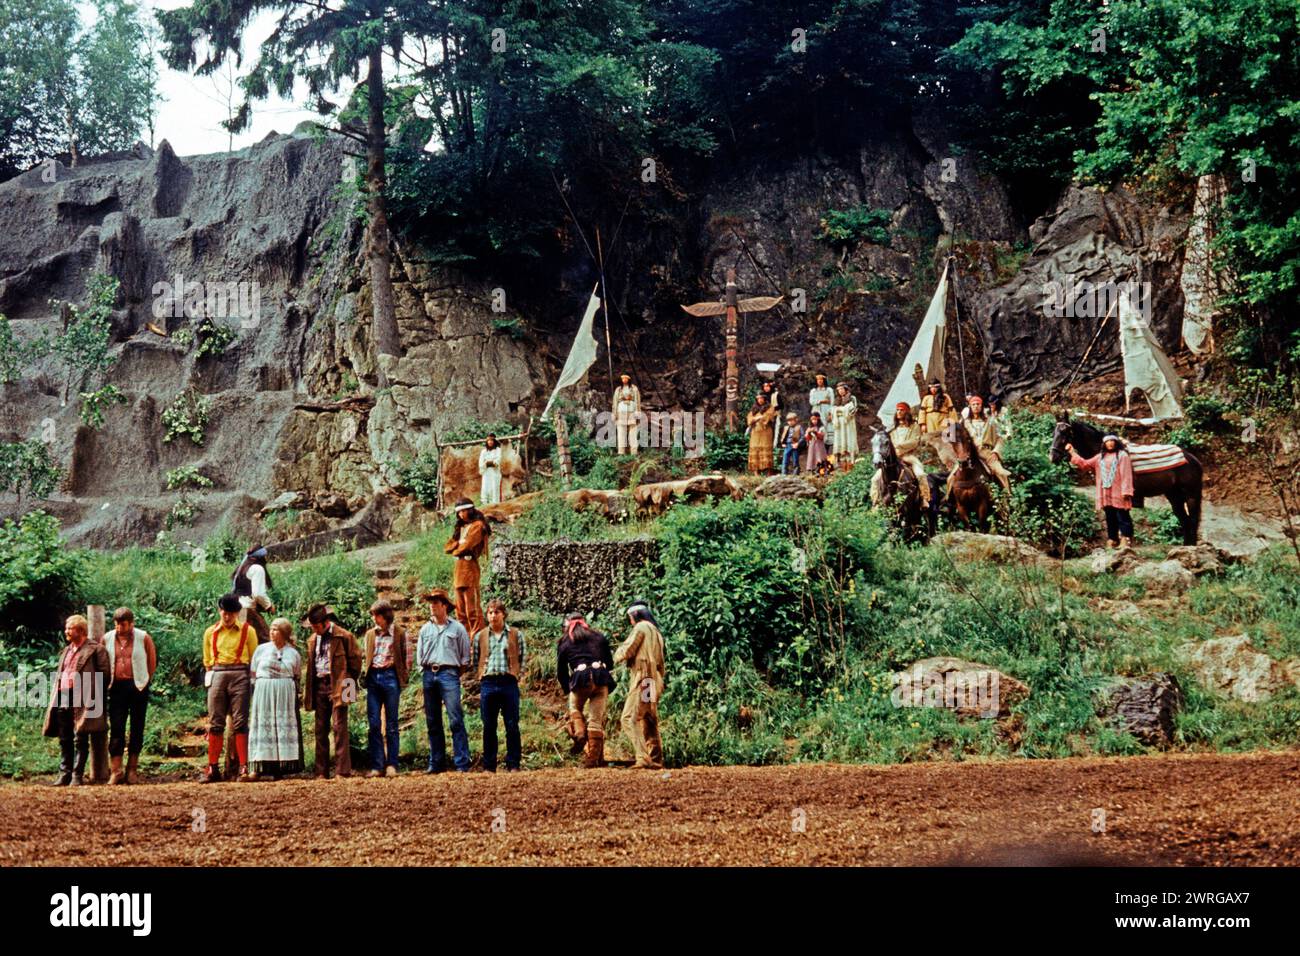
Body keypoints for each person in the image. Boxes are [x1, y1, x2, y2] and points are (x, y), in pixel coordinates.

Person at [43, 615, 110, 787]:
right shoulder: (66, 650)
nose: (66, 631)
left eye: (70, 628)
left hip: (84, 695)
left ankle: (77, 775)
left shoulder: (96, 649)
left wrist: (91, 692)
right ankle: (64, 773)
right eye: (66, 628)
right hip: (64, 694)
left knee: (80, 736)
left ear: (80, 630)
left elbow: (105, 675)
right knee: (65, 736)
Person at [302, 603, 362, 779]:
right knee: (320, 728)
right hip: (319, 684)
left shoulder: (344, 636)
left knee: (340, 726)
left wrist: (348, 688)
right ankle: (321, 771)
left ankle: (342, 770)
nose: (313, 629)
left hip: (340, 684)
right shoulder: (313, 640)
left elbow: (356, 664)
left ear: (325, 622)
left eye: (315, 626)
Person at [201, 593, 256, 783]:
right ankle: (212, 767)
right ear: (219, 611)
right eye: (224, 613)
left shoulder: (248, 631)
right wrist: (212, 677)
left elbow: (254, 658)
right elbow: (207, 661)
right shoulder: (210, 632)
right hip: (218, 673)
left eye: (231, 614)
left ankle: (243, 767)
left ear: (237, 613)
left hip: (240, 673)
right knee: (216, 722)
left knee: (240, 722)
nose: (227, 617)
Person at [417, 588, 472, 773]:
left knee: (455, 718)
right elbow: (420, 655)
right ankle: (436, 762)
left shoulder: (457, 628)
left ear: (444, 606)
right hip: (428, 674)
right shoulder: (425, 629)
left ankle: (462, 762)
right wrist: (424, 671)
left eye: (435, 603)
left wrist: (455, 672)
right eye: (430, 603)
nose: (432, 606)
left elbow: (465, 657)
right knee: (433, 721)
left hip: (449, 674)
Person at [472, 598, 525, 772]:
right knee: (488, 725)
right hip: (488, 682)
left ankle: (513, 764)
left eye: (497, 612)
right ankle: (489, 766)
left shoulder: (515, 634)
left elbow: (522, 657)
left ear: (504, 614)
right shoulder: (480, 636)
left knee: (511, 724)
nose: (493, 616)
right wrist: (481, 674)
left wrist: (516, 674)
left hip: (508, 682)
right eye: (490, 612)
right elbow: (476, 659)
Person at [556, 613, 616, 768]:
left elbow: (561, 672)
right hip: (601, 678)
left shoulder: (565, 642)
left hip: (580, 679)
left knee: (575, 708)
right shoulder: (598, 637)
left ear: (567, 625)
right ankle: (593, 759)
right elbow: (609, 663)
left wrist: (567, 689)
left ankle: (580, 734)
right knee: (595, 720)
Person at [104, 607, 156, 785]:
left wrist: (144, 680)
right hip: (116, 686)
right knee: (117, 727)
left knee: (137, 726)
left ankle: (132, 769)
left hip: (138, 686)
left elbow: (151, 661)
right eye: (117, 624)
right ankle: (116, 770)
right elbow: (104, 661)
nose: (120, 628)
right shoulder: (107, 638)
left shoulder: (143, 637)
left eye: (123, 624)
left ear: (131, 623)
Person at [246, 618, 303, 781]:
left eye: (276, 630)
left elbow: (297, 674)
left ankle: (280, 768)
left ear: (284, 634)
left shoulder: (293, 653)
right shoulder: (261, 650)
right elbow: (254, 672)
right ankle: (257, 767)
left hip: (284, 693)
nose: (272, 632)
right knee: (264, 726)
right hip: (264, 691)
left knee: (281, 726)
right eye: (271, 629)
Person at [361, 600, 409, 778]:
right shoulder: (370, 635)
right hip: (373, 677)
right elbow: (367, 655)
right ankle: (377, 765)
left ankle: (392, 764)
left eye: (377, 615)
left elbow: (406, 655)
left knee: (392, 724)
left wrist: (402, 677)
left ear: (385, 616)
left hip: (390, 676)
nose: (375, 619)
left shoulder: (399, 633)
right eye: (373, 615)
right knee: (374, 723)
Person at [614, 601, 665, 770]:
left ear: (635, 616)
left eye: (630, 618)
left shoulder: (641, 628)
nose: (630, 621)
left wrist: (616, 655)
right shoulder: (656, 632)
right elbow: (661, 663)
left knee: (628, 718)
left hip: (643, 678)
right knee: (648, 718)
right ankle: (656, 758)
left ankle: (643, 757)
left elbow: (628, 650)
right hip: (652, 680)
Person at [1067, 433, 1136, 549]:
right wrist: (1072, 452)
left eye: (1112, 441)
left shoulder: (1122, 455)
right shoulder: (1100, 457)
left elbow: (1126, 474)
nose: (1110, 443)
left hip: (1119, 492)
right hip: (1106, 494)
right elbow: (1084, 464)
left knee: (1122, 516)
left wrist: (1126, 490)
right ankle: (1112, 539)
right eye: (1107, 441)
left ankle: (1125, 539)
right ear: (1104, 444)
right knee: (1110, 517)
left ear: (1116, 443)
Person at [444, 499, 489, 637]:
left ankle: (476, 639)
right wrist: (458, 544)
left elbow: (467, 545)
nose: (461, 515)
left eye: (463, 511)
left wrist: (456, 549)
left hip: (470, 567)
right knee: (460, 609)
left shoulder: (478, 525)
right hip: (459, 568)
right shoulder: (461, 528)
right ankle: (464, 638)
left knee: (472, 608)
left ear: (470, 510)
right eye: (458, 512)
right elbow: (447, 547)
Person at [872, 403, 931, 507]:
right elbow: (888, 443)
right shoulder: (893, 428)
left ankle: (924, 498)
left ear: (907, 412)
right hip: (894, 458)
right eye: (897, 410)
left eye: (901, 410)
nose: (898, 412)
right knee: (875, 479)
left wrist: (899, 446)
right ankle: (876, 502)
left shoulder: (914, 426)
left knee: (920, 474)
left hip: (909, 457)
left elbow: (914, 442)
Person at [956, 395, 1012, 492]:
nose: (976, 406)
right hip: (969, 454)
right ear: (970, 406)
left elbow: (1001, 437)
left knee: (1001, 473)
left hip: (987, 453)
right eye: (973, 404)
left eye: (978, 404)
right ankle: (948, 501)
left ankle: (1008, 499)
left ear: (981, 406)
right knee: (952, 477)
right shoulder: (965, 422)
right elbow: (957, 437)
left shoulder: (990, 420)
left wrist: (996, 452)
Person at [232, 546, 275, 645]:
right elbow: (258, 594)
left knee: (243, 642)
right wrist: (268, 606)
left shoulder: (242, 568)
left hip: (237, 610)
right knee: (266, 641)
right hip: (247, 610)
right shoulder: (257, 568)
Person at [746, 394, 778, 474]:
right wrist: (756, 418)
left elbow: (768, 417)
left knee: (766, 450)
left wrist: (758, 418)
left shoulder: (770, 407)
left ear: (764, 398)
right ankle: (756, 472)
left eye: (761, 398)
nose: (760, 400)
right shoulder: (754, 409)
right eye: (758, 398)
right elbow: (749, 419)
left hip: (765, 432)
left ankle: (768, 472)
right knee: (755, 449)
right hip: (755, 432)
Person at [831, 382, 859, 471]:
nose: (840, 391)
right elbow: (832, 410)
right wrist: (842, 410)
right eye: (838, 390)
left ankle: (851, 460)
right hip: (839, 423)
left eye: (842, 389)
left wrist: (840, 410)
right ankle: (841, 461)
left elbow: (853, 410)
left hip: (848, 422)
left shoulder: (851, 398)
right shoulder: (837, 399)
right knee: (840, 439)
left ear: (846, 389)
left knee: (849, 438)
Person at [612, 373, 641, 455]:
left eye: (626, 378)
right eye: (623, 378)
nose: (624, 380)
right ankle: (621, 451)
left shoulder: (634, 388)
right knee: (621, 431)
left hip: (632, 411)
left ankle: (634, 451)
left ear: (629, 379)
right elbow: (615, 402)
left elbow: (637, 401)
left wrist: (637, 413)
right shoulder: (618, 389)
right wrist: (614, 413)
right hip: (621, 411)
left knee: (633, 431)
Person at [808, 374, 835, 450]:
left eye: (821, 379)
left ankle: (826, 449)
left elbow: (832, 402)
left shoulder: (829, 390)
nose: (819, 381)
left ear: (824, 380)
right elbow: (811, 401)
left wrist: (830, 413)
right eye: (818, 379)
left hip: (826, 410)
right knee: (817, 427)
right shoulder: (813, 391)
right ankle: (817, 448)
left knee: (827, 428)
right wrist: (821, 401)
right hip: (817, 411)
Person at [479, 434, 504, 506]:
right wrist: (487, 463)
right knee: (485, 489)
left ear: (494, 441)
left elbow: (497, 461)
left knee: (494, 489)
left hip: (494, 473)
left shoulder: (498, 450)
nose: (490, 442)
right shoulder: (483, 451)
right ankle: (485, 505)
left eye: (491, 440)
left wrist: (489, 462)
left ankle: (495, 506)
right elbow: (481, 463)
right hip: (486, 473)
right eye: (488, 440)